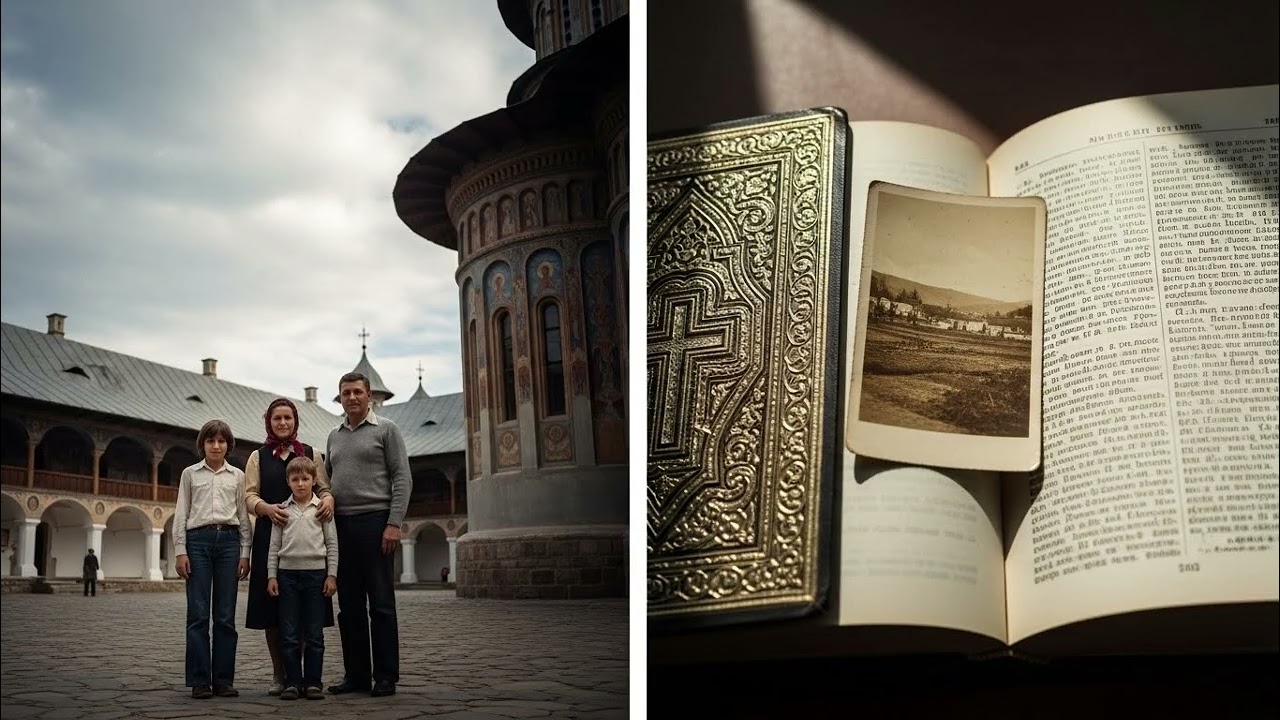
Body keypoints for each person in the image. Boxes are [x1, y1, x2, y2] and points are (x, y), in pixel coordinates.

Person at [325, 371, 412, 697]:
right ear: (340, 398)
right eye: (345, 393)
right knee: (349, 607)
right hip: (342, 526)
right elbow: (328, 481)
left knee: (381, 604)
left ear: (369, 396)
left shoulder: (387, 429)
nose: (351, 398)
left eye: (357, 392)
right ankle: (356, 675)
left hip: (376, 523)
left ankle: (385, 676)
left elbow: (402, 477)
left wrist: (394, 523)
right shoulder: (333, 435)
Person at [243, 397, 335, 695]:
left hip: (307, 536)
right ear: (268, 422)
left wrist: (329, 500)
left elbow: (324, 487)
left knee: (306, 613)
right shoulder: (258, 456)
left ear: (295, 421)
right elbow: (248, 495)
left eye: (288, 418)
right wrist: (266, 509)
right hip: (270, 535)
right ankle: (279, 673)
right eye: (276, 418)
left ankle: (304, 675)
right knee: (272, 611)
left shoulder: (311, 453)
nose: (282, 423)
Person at [173, 419, 251, 700]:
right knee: (198, 614)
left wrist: (245, 553)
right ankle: (199, 680)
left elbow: (243, 516)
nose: (216, 446)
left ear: (228, 445)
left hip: (229, 543)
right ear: (202, 445)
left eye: (221, 441)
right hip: (198, 542)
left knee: (225, 616)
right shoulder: (190, 474)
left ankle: (223, 680)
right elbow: (182, 512)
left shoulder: (238, 476)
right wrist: (180, 550)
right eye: (210, 441)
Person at [266, 455, 338, 701]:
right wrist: (272, 576)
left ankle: (314, 682)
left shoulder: (322, 509)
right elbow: (274, 547)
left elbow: (332, 544)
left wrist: (331, 575)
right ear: (288, 481)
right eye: (295, 479)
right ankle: (293, 682)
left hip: (316, 576)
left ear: (314, 480)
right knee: (289, 632)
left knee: (314, 632)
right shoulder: (282, 511)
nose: (300, 483)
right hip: (287, 577)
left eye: (305, 479)